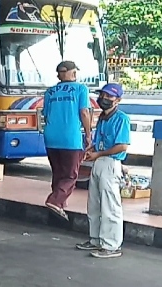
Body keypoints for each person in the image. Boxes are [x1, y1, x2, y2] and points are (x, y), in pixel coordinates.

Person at [76, 83, 130, 259]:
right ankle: (96, 239)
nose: (104, 99)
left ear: (118, 100)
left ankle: (111, 245)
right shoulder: (102, 118)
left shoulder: (121, 119)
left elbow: (122, 145)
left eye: (109, 96)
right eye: (103, 95)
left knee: (110, 206)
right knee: (94, 203)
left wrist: (99, 153)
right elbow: (99, 141)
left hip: (110, 162)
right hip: (99, 162)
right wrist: (91, 149)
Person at [42, 61, 93, 220]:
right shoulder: (80, 89)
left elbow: (46, 114)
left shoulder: (50, 92)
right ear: (73, 73)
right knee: (71, 175)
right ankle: (55, 201)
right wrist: (88, 134)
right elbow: (84, 112)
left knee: (58, 172)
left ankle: (60, 204)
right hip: (70, 137)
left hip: (50, 136)